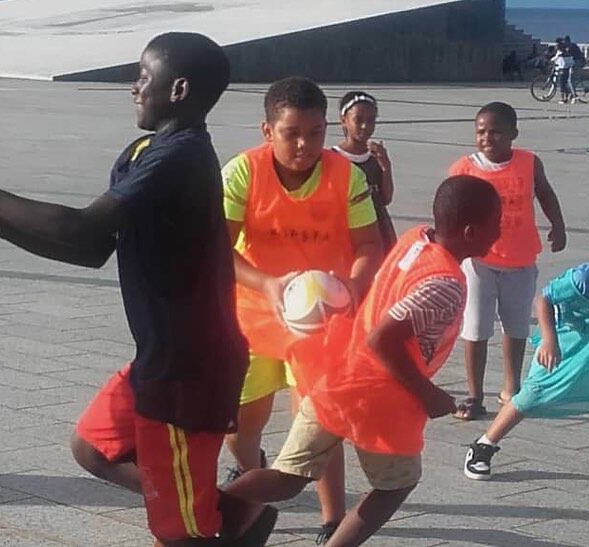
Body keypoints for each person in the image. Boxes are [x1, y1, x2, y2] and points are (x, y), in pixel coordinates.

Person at [0, 32, 277, 546]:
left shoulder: (181, 158)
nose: (134, 87)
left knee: (179, 535)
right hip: (165, 359)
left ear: (179, 89)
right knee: (93, 448)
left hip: (188, 375)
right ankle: (233, 516)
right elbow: (90, 247)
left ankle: (207, 521)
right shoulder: (149, 150)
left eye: (145, 77)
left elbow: (79, 227)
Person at [222, 175, 502, 547]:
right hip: (380, 397)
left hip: (338, 374)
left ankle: (205, 513)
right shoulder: (445, 283)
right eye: (495, 226)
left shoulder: (417, 239)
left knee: (288, 478)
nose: (498, 234)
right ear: (470, 231)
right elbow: (383, 339)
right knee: (396, 485)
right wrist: (429, 394)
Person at [221, 76, 383, 543]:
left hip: (321, 320)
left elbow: (369, 244)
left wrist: (351, 286)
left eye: (315, 133)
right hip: (253, 311)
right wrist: (266, 283)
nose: (304, 144)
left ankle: (330, 520)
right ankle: (255, 482)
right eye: (291, 133)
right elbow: (216, 246)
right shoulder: (242, 172)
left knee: (318, 419)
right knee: (241, 421)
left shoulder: (345, 175)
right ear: (267, 130)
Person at [464, 204, 589, 481]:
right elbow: (544, 299)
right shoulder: (583, 279)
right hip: (571, 344)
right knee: (531, 396)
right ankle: (483, 445)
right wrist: (549, 340)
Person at [448, 102, 566, 420]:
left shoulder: (528, 163)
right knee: (475, 327)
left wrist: (558, 225)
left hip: (520, 259)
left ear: (513, 133)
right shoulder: (464, 167)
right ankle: (474, 395)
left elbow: (545, 193)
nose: (488, 137)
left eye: (496, 131)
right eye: (481, 131)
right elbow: (449, 207)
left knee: (515, 327)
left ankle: (511, 389)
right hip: (478, 261)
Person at [332, 91, 398, 251]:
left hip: (380, 230)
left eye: (371, 120)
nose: (365, 126)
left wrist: (386, 166)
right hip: (349, 233)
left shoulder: (375, 156)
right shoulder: (333, 158)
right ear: (343, 121)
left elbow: (386, 198)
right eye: (358, 120)